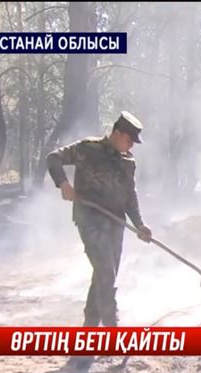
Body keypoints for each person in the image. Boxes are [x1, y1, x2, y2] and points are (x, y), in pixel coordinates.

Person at [47, 111, 152, 329]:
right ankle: (112, 327)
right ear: (117, 132)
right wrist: (63, 184)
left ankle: (89, 329)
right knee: (105, 271)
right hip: (90, 220)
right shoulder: (87, 148)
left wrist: (139, 224)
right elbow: (54, 158)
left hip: (116, 224)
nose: (131, 146)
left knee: (104, 277)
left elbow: (130, 196)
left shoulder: (128, 162)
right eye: (129, 140)